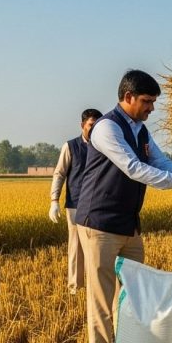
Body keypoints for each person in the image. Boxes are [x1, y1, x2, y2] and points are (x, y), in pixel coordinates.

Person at [75, 70, 172, 343]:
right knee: (101, 298)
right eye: (147, 102)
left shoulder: (139, 130)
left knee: (133, 294)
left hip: (129, 223)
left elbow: (159, 161)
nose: (152, 108)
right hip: (99, 222)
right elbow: (134, 168)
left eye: (153, 102)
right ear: (128, 98)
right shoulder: (106, 128)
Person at [49, 108, 103, 294]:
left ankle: (94, 287)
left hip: (99, 205)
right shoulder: (70, 146)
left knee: (98, 246)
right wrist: (54, 200)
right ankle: (75, 287)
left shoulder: (105, 146)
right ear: (82, 126)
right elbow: (59, 173)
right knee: (76, 246)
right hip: (75, 205)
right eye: (91, 125)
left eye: (97, 126)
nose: (94, 129)